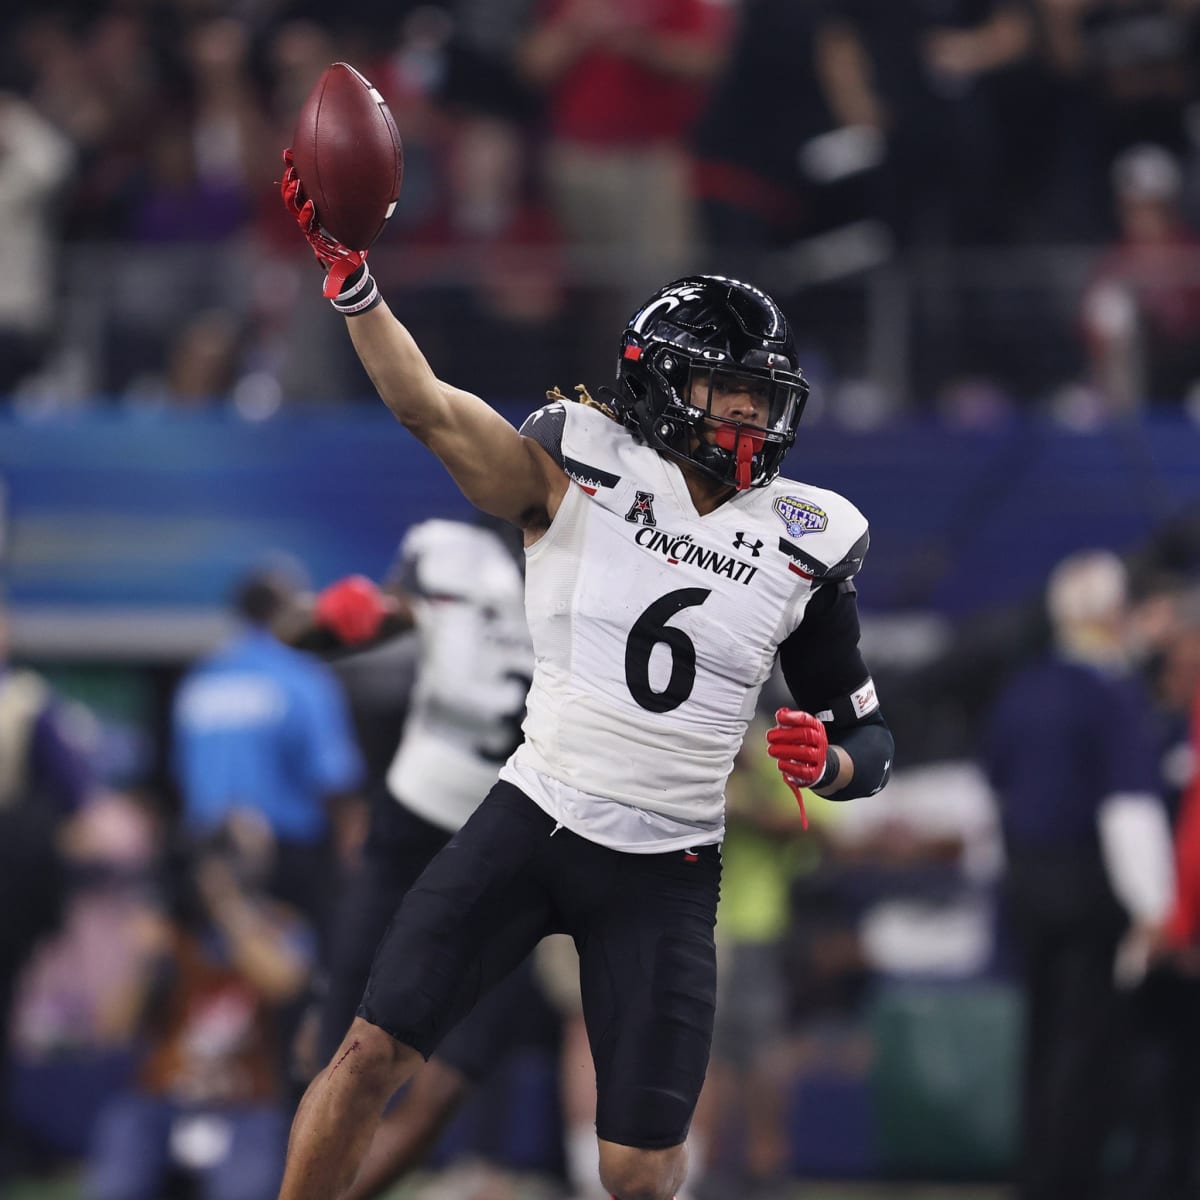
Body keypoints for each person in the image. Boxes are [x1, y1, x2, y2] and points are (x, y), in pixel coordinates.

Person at [275, 152, 894, 1200]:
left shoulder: (808, 535)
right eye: (726, 392)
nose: (749, 418)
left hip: (669, 868)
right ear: (662, 380)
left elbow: (871, 743)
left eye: (761, 396)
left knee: (640, 1172)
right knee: (369, 1052)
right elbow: (425, 406)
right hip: (535, 815)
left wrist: (829, 761)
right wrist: (354, 282)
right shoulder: (577, 464)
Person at [289, 515, 554, 1199]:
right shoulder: (451, 553)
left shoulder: (604, 571)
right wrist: (330, 620)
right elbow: (304, 634)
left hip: (512, 838)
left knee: (449, 1079)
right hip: (416, 815)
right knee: (343, 1041)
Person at [983, 549, 1176, 1200]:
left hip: (1027, 886)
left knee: (1042, 1040)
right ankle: (1065, 1180)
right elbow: (1129, 810)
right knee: (1086, 1046)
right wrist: (1154, 906)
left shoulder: (1022, 689)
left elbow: (997, 794)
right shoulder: (1108, 694)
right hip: (1089, 889)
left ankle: (1035, 1173)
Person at [172, 562, 365, 948]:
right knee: (293, 985)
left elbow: (181, 774)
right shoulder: (301, 678)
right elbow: (335, 779)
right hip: (284, 861)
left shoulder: (199, 680)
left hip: (208, 860)